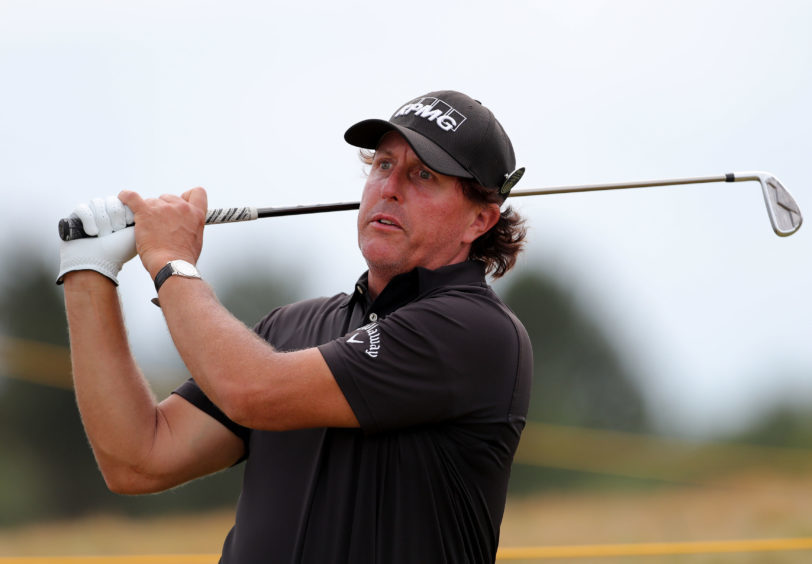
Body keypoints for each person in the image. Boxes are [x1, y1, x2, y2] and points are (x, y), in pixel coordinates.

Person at [58, 90, 533, 563]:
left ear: (480, 219)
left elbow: (250, 389)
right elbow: (138, 459)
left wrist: (171, 261)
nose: (389, 188)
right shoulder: (292, 326)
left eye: (423, 175)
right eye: (384, 165)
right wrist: (88, 273)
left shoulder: (473, 331)